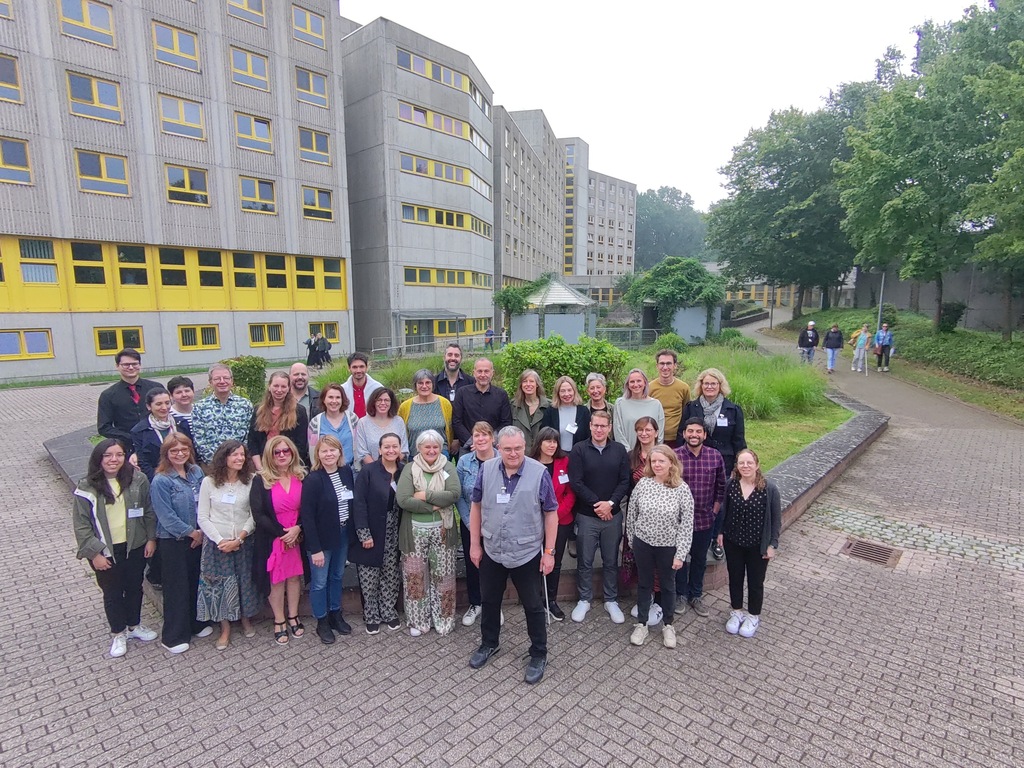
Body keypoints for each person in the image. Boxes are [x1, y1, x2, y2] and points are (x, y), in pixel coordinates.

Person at [468, 426, 557, 684]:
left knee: (533, 604)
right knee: (490, 600)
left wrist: (549, 552)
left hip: (526, 551)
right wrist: (475, 544)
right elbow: (476, 506)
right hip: (493, 549)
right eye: (507, 449)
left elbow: (551, 513)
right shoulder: (486, 470)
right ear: (498, 447)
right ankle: (489, 643)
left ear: (525, 446)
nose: (513, 453)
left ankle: (539, 653)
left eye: (518, 448)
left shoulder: (539, 472)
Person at [72, 439, 158, 658]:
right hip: (105, 549)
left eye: (119, 454)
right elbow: (82, 525)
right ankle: (118, 632)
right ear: (99, 458)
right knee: (112, 592)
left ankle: (134, 625)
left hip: (134, 545)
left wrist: (150, 539)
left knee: (134, 586)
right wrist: (95, 553)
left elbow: (148, 511)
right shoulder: (87, 486)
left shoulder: (137, 479)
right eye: (108, 455)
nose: (114, 459)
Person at [626, 445, 693, 648]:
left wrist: (680, 553)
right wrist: (632, 541)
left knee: (667, 585)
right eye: (653, 461)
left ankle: (668, 625)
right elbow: (632, 515)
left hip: (668, 547)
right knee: (645, 584)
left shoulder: (681, 489)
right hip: (643, 544)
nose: (657, 465)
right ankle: (642, 623)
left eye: (661, 461)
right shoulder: (643, 484)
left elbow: (687, 524)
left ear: (671, 463)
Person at [567, 410, 631, 624]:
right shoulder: (579, 450)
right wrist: (598, 505)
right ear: (590, 426)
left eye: (603, 425)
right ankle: (584, 599)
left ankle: (610, 599)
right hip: (587, 515)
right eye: (596, 425)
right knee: (584, 560)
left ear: (609, 427)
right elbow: (576, 482)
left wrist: (610, 504)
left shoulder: (620, 450)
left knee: (611, 560)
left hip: (612, 516)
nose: (599, 429)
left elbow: (624, 481)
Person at [395, 429, 461, 637]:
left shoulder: (448, 467)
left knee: (445, 577)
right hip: (414, 532)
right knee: (415, 577)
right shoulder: (409, 469)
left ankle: (444, 620)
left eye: (436, 447)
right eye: (427, 447)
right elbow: (404, 500)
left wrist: (425, 495)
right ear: (419, 448)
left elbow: (454, 494)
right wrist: (432, 506)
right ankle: (419, 621)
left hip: (443, 531)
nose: (432, 450)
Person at [196, 440, 258, 650]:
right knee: (221, 585)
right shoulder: (209, 482)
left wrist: (239, 538)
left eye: (242, 455)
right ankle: (225, 628)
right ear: (224, 457)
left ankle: (245, 619)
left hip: (244, 541)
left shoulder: (251, 480)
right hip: (217, 544)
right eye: (235, 455)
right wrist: (221, 541)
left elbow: (253, 514)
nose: (240, 458)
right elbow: (203, 517)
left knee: (244, 581)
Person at [149, 434, 208, 654]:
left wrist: (200, 532)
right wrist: (191, 532)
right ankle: (174, 635)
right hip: (174, 540)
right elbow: (165, 516)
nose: (180, 454)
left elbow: (204, 502)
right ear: (166, 454)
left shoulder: (196, 472)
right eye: (174, 451)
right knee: (176, 587)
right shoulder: (161, 480)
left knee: (194, 582)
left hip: (197, 537)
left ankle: (195, 623)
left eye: (184, 449)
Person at [717, 449, 781, 638]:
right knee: (735, 578)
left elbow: (776, 520)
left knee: (755, 582)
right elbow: (724, 512)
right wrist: (720, 532)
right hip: (733, 542)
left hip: (757, 545)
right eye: (741, 463)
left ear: (757, 465)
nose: (745, 466)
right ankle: (736, 612)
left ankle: (753, 616)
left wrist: (772, 544)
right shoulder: (731, 485)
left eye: (749, 463)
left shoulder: (769, 489)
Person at [250, 436, 307, 645]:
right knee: (277, 580)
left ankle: (293, 616)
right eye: (277, 452)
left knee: (294, 578)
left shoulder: (301, 476)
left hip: (297, 535)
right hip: (274, 537)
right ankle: (279, 619)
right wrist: (283, 533)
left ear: (292, 453)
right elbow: (258, 514)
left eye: (286, 451)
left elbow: (307, 508)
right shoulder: (261, 479)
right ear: (270, 456)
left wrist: (298, 529)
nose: (282, 455)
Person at [299, 436, 356, 644]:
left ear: (340, 452)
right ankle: (321, 621)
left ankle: (335, 614)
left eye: (333, 450)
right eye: (324, 451)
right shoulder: (313, 479)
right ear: (318, 455)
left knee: (337, 576)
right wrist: (315, 549)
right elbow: (307, 516)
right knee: (319, 582)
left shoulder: (346, 472)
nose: (329, 454)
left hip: (342, 535)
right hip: (321, 540)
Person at [350, 433, 405, 634]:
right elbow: (359, 503)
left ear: (400, 449)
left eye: (395, 446)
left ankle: (389, 612)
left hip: (395, 530)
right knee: (369, 575)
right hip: (372, 529)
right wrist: (364, 533)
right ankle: (371, 614)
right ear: (379, 449)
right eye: (387, 447)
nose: (391, 450)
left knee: (391, 574)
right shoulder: (368, 471)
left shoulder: (404, 471)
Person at [673, 418, 726, 618]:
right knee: (679, 559)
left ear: (704, 434)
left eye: (698, 432)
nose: (694, 435)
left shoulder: (715, 456)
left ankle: (696, 595)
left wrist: (714, 511)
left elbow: (721, 488)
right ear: (684, 433)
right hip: (678, 522)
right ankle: (680, 594)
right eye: (690, 431)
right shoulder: (675, 456)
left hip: (705, 520)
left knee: (699, 559)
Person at [530, 426, 575, 622]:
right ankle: (534, 600)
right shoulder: (529, 464)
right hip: (533, 522)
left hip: (561, 521)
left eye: (555, 441)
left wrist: (555, 515)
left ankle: (551, 600)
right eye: (548, 440)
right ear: (539, 442)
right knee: (533, 562)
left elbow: (571, 493)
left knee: (553, 561)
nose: (551, 444)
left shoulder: (564, 462)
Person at [455, 421, 496, 627]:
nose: (480, 439)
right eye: (476, 436)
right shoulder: (464, 462)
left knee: (494, 564)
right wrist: (469, 523)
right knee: (474, 562)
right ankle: (475, 604)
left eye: (485, 435)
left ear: (492, 438)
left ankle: (493, 605)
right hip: (470, 522)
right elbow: (459, 496)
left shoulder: (502, 459)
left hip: (496, 523)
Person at [680, 368, 746, 476]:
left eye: (713, 384)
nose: (709, 387)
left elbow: (739, 440)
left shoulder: (733, 410)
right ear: (701, 385)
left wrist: (740, 463)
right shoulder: (690, 408)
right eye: (706, 383)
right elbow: (681, 435)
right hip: (695, 461)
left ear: (720, 386)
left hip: (725, 462)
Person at [96, 348, 160, 450]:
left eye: (135, 364)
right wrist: (130, 437)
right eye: (126, 365)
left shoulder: (155, 388)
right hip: (127, 447)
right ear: (117, 366)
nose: (131, 367)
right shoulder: (108, 395)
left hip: (157, 443)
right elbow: (104, 427)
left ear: (140, 365)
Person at [191, 364, 254, 465]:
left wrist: (239, 459)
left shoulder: (245, 405)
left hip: (241, 464)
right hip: (212, 466)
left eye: (226, 378)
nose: (222, 381)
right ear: (210, 382)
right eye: (217, 379)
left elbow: (249, 436)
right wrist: (217, 463)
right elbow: (200, 440)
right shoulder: (199, 407)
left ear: (232, 381)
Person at [248, 371, 310, 472]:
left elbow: (301, 445)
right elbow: (252, 442)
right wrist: (260, 469)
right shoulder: (258, 410)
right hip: (264, 466)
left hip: (290, 467)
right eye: (276, 386)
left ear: (289, 388)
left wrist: (286, 467)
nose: (279, 390)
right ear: (269, 386)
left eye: (283, 386)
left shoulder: (299, 411)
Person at [130, 387, 194, 481]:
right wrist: (160, 480)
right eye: (159, 404)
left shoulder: (181, 424)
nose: (164, 407)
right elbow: (143, 463)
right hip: (158, 479)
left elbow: (191, 451)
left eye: (167, 403)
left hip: (185, 476)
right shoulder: (139, 431)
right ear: (149, 406)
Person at [452, 358, 512, 455]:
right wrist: (474, 442)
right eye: (479, 371)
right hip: (469, 449)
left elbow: (506, 422)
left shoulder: (501, 395)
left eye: (486, 371)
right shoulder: (462, 393)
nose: (483, 375)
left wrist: (489, 441)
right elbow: (456, 421)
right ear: (474, 373)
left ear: (492, 373)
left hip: (493, 449)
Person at [398, 369, 453, 457]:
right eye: (420, 383)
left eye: (428, 382)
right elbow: (401, 432)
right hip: (415, 456)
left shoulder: (444, 403)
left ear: (433, 384)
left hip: (440, 455)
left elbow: (450, 429)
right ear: (415, 385)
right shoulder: (405, 407)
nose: (424, 386)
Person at [309, 383, 358, 471]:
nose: (334, 401)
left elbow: (359, 445)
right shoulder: (315, 422)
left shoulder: (352, 419)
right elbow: (313, 451)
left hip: (352, 471)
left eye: (338, 397)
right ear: (324, 399)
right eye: (330, 397)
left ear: (343, 400)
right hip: (326, 472)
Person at [613, 368, 665, 450]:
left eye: (639, 381)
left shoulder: (656, 404)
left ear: (645, 383)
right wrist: (627, 452)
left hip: (651, 454)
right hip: (627, 453)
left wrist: (655, 452)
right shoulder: (620, 403)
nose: (636, 384)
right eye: (632, 382)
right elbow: (618, 431)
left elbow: (660, 433)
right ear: (627, 384)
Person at [649, 349, 691, 448]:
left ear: (675, 366)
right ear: (657, 366)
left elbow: (687, 411)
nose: (665, 367)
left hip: (677, 439)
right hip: (655, 439)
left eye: (669, 363)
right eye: (662, 364)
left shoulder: (684, 388)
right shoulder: (649, 388)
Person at [355, 387, 409, 464]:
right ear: (373, 402)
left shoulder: (399, 421)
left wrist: (390, 466)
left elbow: (403, 449)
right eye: (379, 400)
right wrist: (378, 469)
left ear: (391, 402)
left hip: (396, 469)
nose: (383, 403)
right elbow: (362, 452)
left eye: (386, 400)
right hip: (371, 470)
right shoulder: (363, 423)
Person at [543, 375, 591, 453]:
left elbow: (588, 437)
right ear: (557, 393)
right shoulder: (551, 412)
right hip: (557, 457)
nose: (566, 394)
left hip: (579, 456)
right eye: (562, 391)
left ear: (574, 391)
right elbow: (545, 437)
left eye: (569, 390)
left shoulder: (583, 411)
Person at [510, 369, 550, 455]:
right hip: (519, 455)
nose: (528, 384)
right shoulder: (513, 406)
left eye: (531, 381)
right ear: (521, 385)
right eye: (525, 381)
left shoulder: (549, 406)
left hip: (542, 455)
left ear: (537, 385)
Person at [434, 342, 473, 418]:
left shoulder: (471, 383)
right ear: (444, 357)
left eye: (456, 355)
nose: (453, 358)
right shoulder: (433, 383)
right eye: (449, 355)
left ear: (461, 358)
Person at [342, 352, 383, 419]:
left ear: (366, 367)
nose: (358, 370)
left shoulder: (377, 388)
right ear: (349, 368)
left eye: (361, 367)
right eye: (355, 367)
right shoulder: (342, 390)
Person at [585, 373, 614, 438]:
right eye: (592, 388)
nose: (595, 391)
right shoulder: (583, 410)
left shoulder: (613, 409)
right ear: (588, 391)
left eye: (598, 387)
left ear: (604, 389)